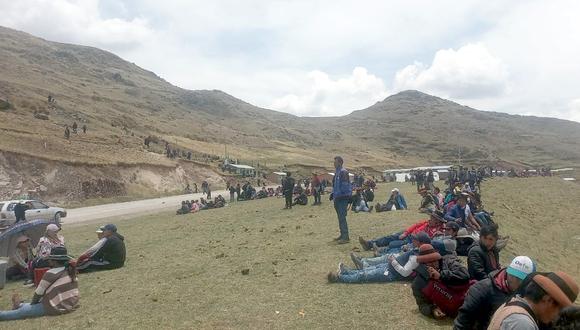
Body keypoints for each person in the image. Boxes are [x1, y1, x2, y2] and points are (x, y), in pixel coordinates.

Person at [453, 256, 536, 330]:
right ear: (507, 271)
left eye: (520, 279)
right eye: (512, 275)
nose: (514, 281)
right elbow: (463, 321)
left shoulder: (528, 297)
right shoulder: (481, 289)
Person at [0, 246, 79, 321]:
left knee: (21, 312)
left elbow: (38, 293)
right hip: (69, 303)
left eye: (50, 259)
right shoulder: (71, 271)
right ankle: (20, 304)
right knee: (35, 304)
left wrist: (33, 304)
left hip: (55, 307)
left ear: (54, 261)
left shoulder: (50, 273)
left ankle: (18, 307)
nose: (48, 261)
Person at [488, 272, 579, 330]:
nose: (556, 317)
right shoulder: (523, 323)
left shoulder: (514, 303)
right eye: (560, 310)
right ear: (548, 300)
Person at [411, 244, 471, 319]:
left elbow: (465, 275)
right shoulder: (418, 283)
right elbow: (422, 305)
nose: (433, 264)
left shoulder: (449, 262)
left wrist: (441, 275)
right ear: (422, 264)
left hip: (469, 297)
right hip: (454, 310)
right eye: (429, 262)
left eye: (435, 260)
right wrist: (433, 310)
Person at [359, 210, 445, 252]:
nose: (430, 218)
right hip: (409, 234)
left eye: (433, 218)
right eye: (431, 217)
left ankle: (380, 250)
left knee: (393, 244)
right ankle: (369, 244)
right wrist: (406, 232)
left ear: (438, 221)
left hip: (413, 240)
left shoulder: (438, 231)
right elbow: (415, 225)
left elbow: (429, 241)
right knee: (390, 237)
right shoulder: (427, 222)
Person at [330, 156, 352, 244]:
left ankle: (345, 237)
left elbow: (345, 185)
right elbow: (335, 185)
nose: (334, 164)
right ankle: (342, 234)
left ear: (340, 162)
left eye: (335, 162)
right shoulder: (337, 172)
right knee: (340, 217)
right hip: (337, 198)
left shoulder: (343, 172)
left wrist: (341, 195)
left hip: (342, 198)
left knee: (342, 217)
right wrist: (333, 194)